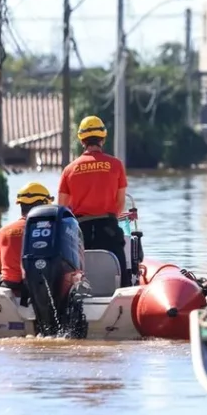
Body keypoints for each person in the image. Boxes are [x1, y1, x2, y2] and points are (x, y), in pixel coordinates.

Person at [57, 115, 131, 288]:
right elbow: (120, 203)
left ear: (82, 140)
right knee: (121, 268)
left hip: (79, 230)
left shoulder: (69, 169)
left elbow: (62, 208)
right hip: (108, 227)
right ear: (103, 138)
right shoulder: (116, 165)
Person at [0, 181, 54, 291]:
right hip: (40, 287)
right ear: (45, 205)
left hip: (10, 285)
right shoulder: (53, 231)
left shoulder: (2, 232)